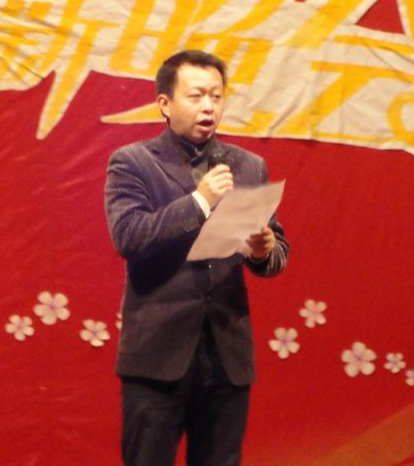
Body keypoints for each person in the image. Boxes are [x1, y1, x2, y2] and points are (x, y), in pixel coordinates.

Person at [104, 49, 289, 465]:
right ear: (165, 104)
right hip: (156, 358)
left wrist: (263, 251)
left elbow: (277, 251)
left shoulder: (248, 165)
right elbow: (129, 237)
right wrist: (199, 202)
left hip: (226, 355)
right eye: (196, 96)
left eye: (216, 96)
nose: (208, 106)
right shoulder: (133, 162)